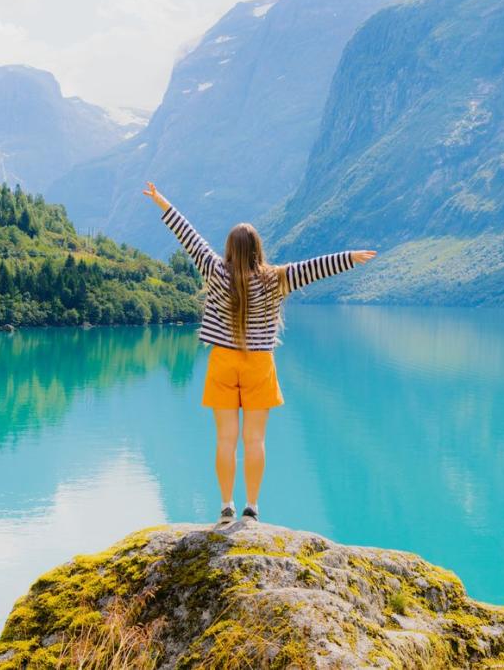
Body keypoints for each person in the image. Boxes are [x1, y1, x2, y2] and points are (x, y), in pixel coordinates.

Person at [143, 182, 376, 525]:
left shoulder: (213, 270)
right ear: (257, 248)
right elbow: (315, 267)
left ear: (229, 249)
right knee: (255, 440)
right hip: (259, 364)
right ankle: (251, 508)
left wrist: (162, 202)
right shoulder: (275, 279)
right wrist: (350, 258)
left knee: (225, 439)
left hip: (223, 361)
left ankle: (226, 506)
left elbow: (188, 236)